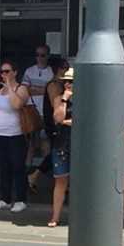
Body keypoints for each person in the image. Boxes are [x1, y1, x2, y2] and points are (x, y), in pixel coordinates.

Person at [0, 60, 31, 213]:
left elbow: (17, 105)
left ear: (15, 72)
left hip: (16, 135)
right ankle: (5, 198)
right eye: (2, 72)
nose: (4, 74)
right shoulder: (0, 91)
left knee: (18, 167)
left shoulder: (21, 89)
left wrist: (10, 87)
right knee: (3, 167)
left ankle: (21, 199)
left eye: (7, 71)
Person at [28, 55, 69, 191]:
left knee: (58, 151)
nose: (67, 69)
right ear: (58, 69)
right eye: (65, 67)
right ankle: (35, 175)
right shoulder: (54, 85)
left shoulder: (62, 84)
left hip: (60, 124)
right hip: (55, 125)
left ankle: (60, 180)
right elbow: (55, 106)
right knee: (57, 151)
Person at [48, 67, 74, 228]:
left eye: (72, 82)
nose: (68, 84)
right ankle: (55, 216)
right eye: (66, 82)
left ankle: (80, 216)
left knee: (80, 182)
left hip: (79, 144)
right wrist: (65, 99)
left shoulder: (86, 99)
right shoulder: (59, 98)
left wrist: (67, 122)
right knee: (60, 181)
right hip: (62, 143)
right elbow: (58, 118)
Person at [22, 44, 54, 171]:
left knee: (45, 143)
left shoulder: (51, 72)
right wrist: (43, 89)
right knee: (31, 143)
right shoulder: (29, 71)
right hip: (31, 111)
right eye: (37, 55)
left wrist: (34, 88)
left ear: (48, 56)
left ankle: (45, 171)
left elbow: (51, 91)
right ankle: (28, 171)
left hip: (46, 112)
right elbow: (25, 90)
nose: (39, 58)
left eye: (42, 55)